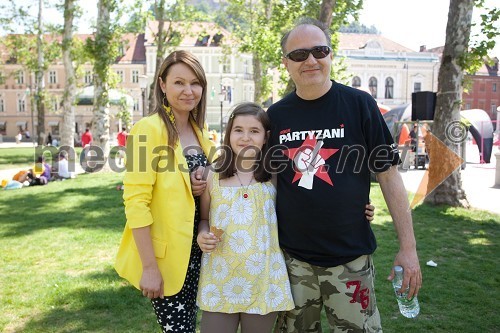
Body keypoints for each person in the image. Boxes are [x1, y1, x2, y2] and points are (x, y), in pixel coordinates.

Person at [267, 18, 421, 332]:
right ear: (285, 63)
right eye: (299, 55)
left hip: (350, 261)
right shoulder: (274, 116)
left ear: (331, 55)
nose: (310, 60)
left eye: (319, 50)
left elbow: (389, 176)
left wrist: (408, 248)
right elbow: (265, 185)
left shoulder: (360, 105)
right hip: (292, 262)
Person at [114, 50, 214, 333]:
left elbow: (195, 183)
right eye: (179, 82)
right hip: (167, 259)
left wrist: (202, 182)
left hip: (201, 252)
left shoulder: (199, 130)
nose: (188, 90)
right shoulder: (149, 129)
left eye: (195, 83)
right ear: (162, 85)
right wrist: (149, 267)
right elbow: (136, 202)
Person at [196, 103, 295, 333]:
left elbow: (306, 205)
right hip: (220, 275)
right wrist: (203, 234)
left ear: (265, 136)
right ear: (229, 133)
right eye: (238, 129)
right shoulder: (212, 174)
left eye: (254, 131)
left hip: (263, 278)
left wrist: (361, 208)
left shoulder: (275, 175)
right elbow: (204, 219)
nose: (245, 137)